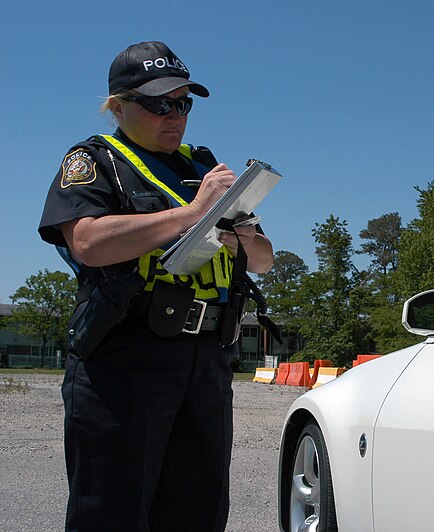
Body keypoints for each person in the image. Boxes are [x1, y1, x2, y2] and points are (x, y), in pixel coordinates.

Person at [38, 41, 273, 531]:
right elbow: (86, 242)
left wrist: (240, 237)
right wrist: (192, 215)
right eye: (158, 103)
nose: (175, 115)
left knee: (199, 511)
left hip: (205, 358)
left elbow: (265, 261)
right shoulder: (93, 161)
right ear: (118, 107)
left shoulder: (202, 165)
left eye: (183, 103)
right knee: (112, 512)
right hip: (125, 357)